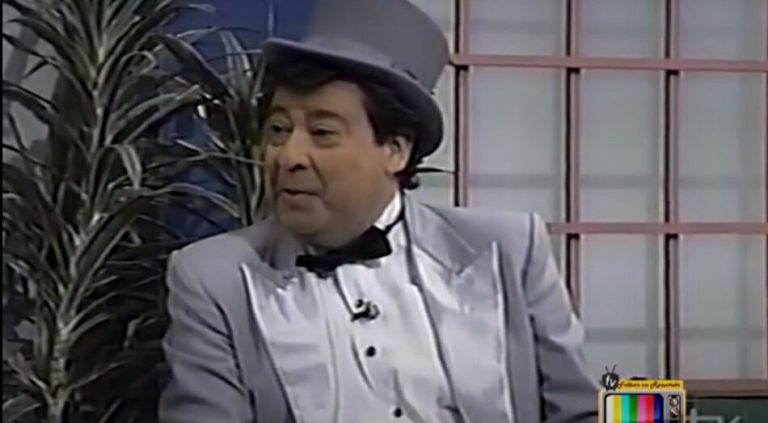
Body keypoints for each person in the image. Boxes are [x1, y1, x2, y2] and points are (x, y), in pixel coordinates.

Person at [159, 0, 598, 422]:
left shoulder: (509, 249)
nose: (288, 156)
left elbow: (584, 410)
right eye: (278, 129)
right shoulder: (214, 278)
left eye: (322, 132)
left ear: (395, 150)